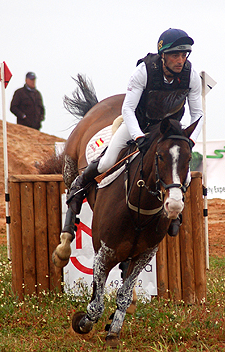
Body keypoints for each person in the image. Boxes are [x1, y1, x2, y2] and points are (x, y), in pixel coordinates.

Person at [67, 28, 204, 236]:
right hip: (138, 125)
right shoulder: (144, 71)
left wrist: (190, 141)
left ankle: (175, 213)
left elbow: (198, 115)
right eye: (176, 55)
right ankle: (78, 188)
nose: (181, 60)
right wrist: (138, 136)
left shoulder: (191, 76)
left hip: (167, 133)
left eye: (184, 55)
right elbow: (127, 110)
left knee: (182, 176)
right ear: (163, 56)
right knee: (107, 161)